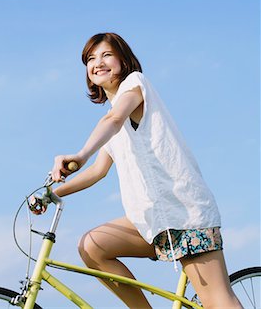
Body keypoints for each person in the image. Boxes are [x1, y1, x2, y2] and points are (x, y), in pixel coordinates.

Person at [49, 32, 242, 309]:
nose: (98, 63)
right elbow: (97, 171)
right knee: (92, 246)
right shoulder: (112, 120)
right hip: (150, 221)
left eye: (106, 55)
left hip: (183, 213)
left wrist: (79, 154)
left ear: (123, 60)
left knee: (218, 302)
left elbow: (114, 120)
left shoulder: (135, 86)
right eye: (91, 59)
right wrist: (52, 193)